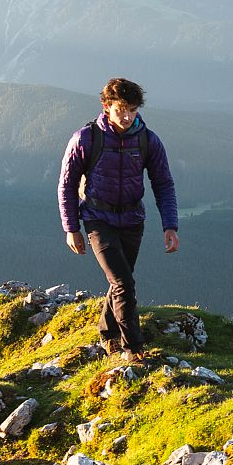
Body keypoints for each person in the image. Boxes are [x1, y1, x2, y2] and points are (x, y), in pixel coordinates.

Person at [57, 77, 178, 363]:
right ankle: (132, 347)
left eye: (132, 110)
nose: (126, 116)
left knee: (120, 282)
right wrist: (71, 228)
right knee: (123, 282)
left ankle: (107, 332)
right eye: (121, 109)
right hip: (98, 219)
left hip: (133, 219)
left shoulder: (148, 140)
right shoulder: (86, 138)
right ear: (106, 106)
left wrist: (170, 225)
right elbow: (66, 184)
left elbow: (163, 183)